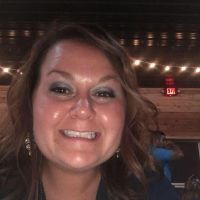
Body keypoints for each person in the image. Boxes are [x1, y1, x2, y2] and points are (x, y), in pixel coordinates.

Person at [0, 22, 180, 200]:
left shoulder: (155, 193)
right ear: (30, 104)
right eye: (62, 89)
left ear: (125, 114)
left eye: (103, 93)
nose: (84, 109)